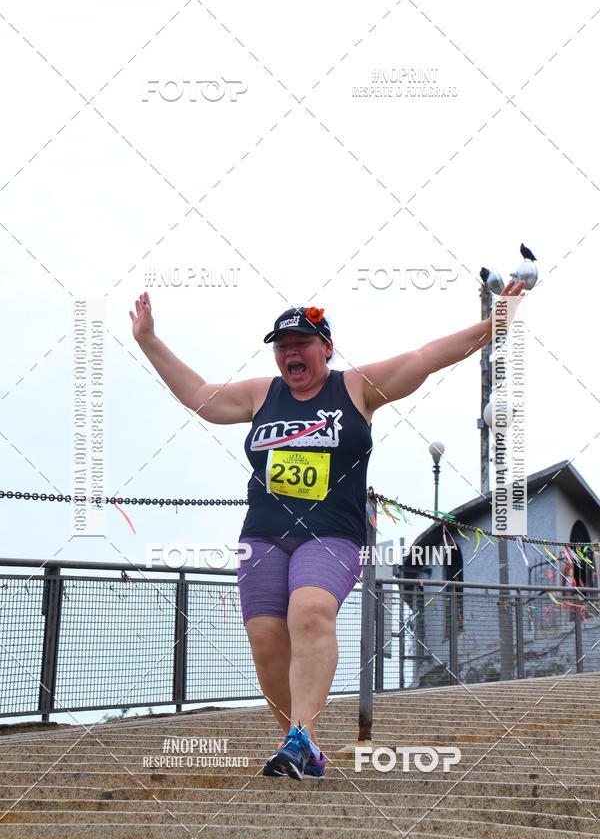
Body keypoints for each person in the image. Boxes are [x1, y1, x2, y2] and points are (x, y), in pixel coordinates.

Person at [130, 282, 525, 779]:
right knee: (265, 637)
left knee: (311, 611)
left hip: (332, 533)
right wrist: (148, 340)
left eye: (302, 343)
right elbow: (199, 396)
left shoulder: (356, 387)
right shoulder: (261, 394)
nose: (291, 353)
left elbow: (425, 357)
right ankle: (302, 744)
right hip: (264, 532)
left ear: (326, 348)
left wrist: (493, 325)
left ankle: (299, 738)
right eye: (283, 346)